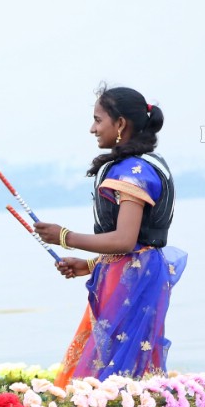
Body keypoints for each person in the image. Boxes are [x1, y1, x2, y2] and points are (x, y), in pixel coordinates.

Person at [34, 85, 186, 386]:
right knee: (117, 361)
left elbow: (125, 241)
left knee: (116, 370)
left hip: (134, 279)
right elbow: (133, 246)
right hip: (129, 273)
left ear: (120, 125)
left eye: (98, 119)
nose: (92, 128)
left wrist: (64, 236)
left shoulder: (133, 171)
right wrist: (91, 266)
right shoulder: (140, 165)